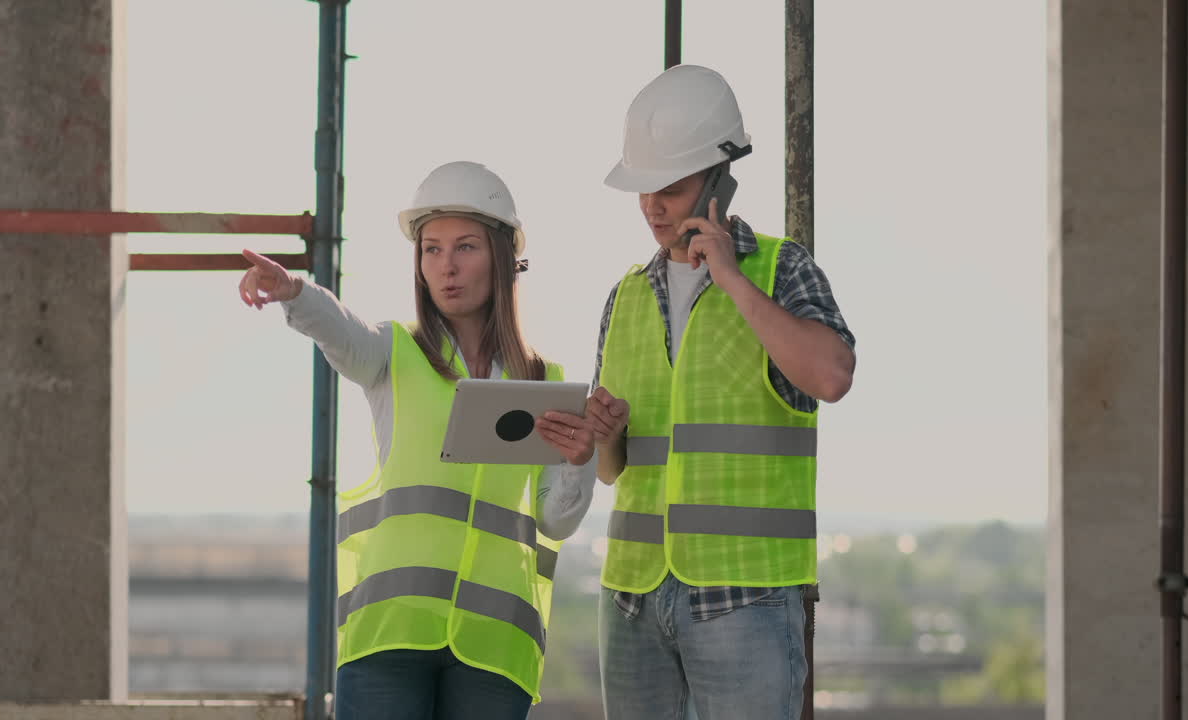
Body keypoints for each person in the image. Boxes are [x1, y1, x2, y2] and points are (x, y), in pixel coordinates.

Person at [238, 160, 598, 720]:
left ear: (502, 258)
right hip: (392, 633)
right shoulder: (392, 354)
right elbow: (339, 329)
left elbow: (555, 520)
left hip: (494, 646)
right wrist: (293, 291)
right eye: (431, 249)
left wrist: (580, 459)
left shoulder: (544, 381)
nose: (446, 266)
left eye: (465, 248)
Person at [585, 65, 857, 720]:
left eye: (670, 189)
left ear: (718, 180)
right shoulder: (624, 296)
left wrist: (732, 279)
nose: (652, 207)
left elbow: (832, 376)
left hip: (746, 596)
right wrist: (603, 436)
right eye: (643, 189)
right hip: (633, 598)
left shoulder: (780, 268)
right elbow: (612, 469)